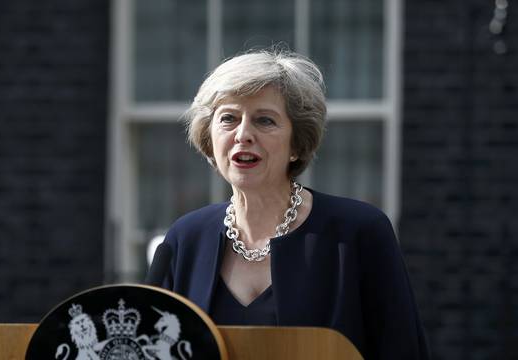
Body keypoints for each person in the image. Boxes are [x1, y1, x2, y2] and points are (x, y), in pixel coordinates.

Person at [157, 49, 429, 359]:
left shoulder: (359, 232)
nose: (243, 134)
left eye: (264, 120)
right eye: (228, 119)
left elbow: (402, 350)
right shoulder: (185, 238)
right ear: (209, 136)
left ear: (297, 145)